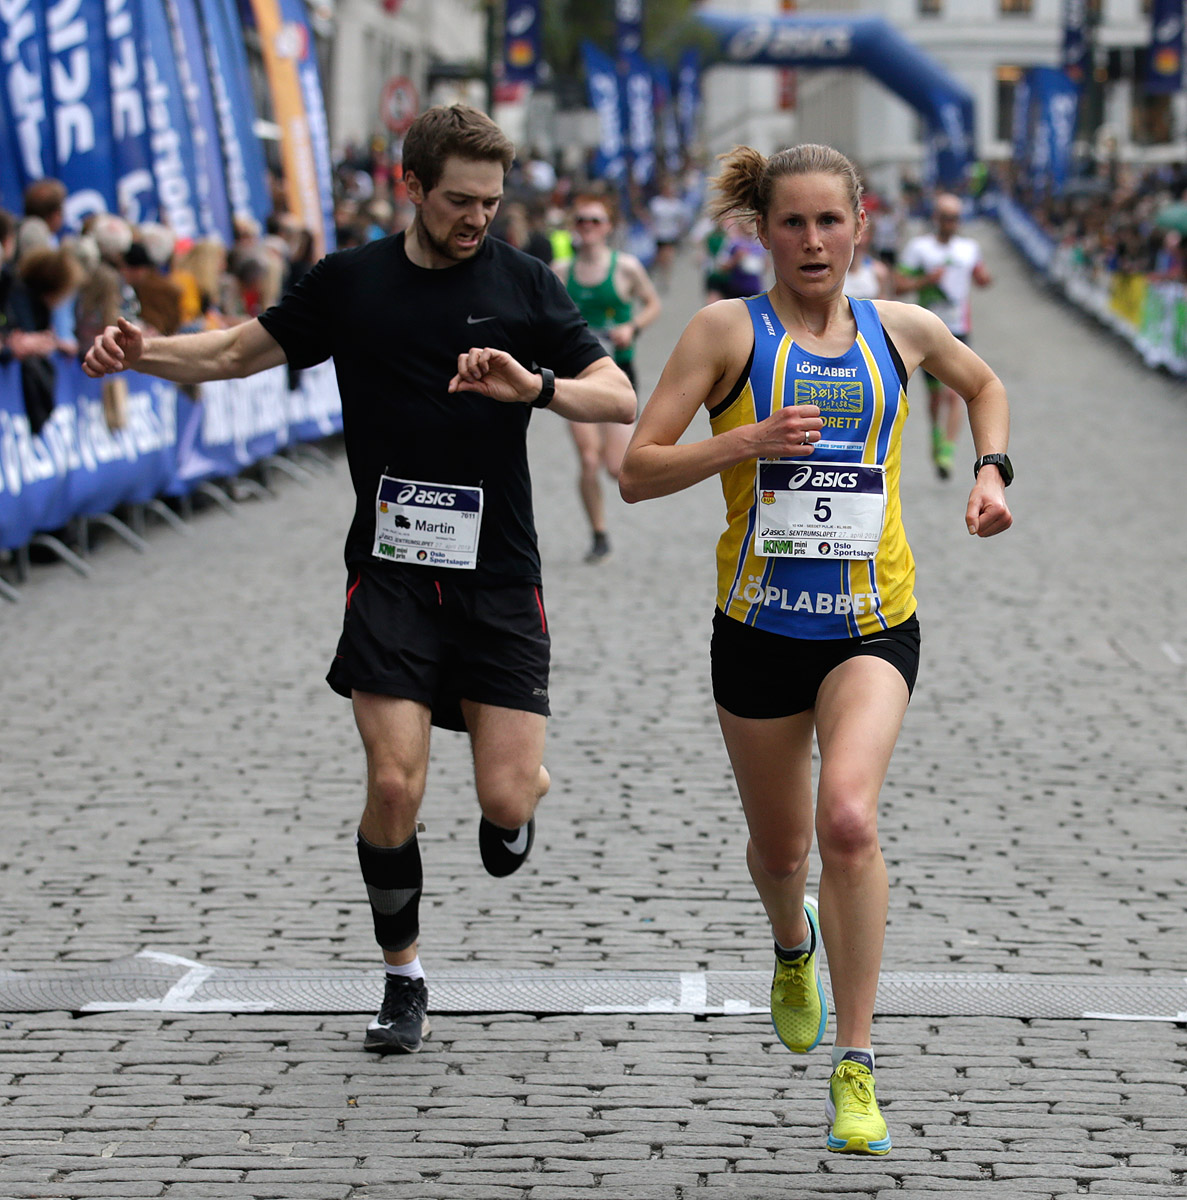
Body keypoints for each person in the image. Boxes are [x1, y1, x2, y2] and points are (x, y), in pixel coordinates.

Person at [83, 104, 636, 1055]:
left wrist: (534, 387)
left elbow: (618, 394)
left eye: (491, 201)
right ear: (410, 187)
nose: (477, 218)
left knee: (505, 799)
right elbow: (234, 351)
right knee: (391, 782)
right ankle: (403, 977)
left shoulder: (522, 281)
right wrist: (144, 352)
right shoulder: (352, 282)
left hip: (499, 575)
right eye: (458, 200)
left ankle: (521, 791)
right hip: (389, 572)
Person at [618, 143, 1012, 1156]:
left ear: (859, 226)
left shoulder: (901, 328)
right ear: (761, 232)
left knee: (846, 821)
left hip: (872, 624)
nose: (811, 241)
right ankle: (789, 943)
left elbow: (982, 384)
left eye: (828, 221)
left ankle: (856, 1059)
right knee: (781, 850)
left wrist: (990, 472)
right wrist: (742, 442)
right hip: (757, 630)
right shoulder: (723, 333)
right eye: (790, 222)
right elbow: (636, 470)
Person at [553, 193, 661, 562]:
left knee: (617, 468)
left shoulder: (626, 267)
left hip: (618, 372)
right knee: (588, 459)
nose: (588, 227)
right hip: (576, 375)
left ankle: (603, 529)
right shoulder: (561, 270)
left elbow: (653, 303)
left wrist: (632, 327)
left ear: (608, 227)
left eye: (595, 221)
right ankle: (599, 535)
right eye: (581, 220)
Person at [896, 193, 992, 479]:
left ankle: (947, 451)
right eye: (946, 217)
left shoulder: (969, 248)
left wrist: (985, 278)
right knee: (936, 396)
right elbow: (899, 285)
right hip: (928, 331)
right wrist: (926, 280)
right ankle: (936, 437)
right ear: (936, 217)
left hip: (959, 329)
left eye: (956, 218)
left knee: (955, 393)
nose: (951, 223)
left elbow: (980, 276)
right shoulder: (919, 248)